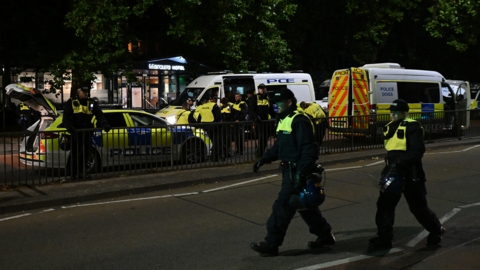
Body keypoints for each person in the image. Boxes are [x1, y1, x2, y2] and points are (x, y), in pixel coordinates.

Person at [250, 88, 335, 257]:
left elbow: (310, 148)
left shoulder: (299, 120)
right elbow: (279, 146)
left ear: (289, 101)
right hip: (289, 170)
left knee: (283, 205)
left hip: (297, 170)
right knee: (305, 206)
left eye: (279, 103)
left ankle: (272, 243)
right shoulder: (283, 119)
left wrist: (301, 173)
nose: (276, 106)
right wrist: (264, 159)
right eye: (274, 103)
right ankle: (325, 235)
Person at [369, 99, 445, 250]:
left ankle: (436, 230)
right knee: (384, 207)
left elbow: (418, 150)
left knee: (418, 208)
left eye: (395, 111)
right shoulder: (390, 127)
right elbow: (392, 151)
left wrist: (400, 162)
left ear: (404, 113)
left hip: (411, 175)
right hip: (393, 174)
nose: (392, 114)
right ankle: (384, 239)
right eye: (391, 111)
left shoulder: (412, 126)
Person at [63, 86, 110, 180]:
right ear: (78, 92)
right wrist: (69, 126)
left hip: (87, 132)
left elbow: (99, 115)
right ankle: (73, 175)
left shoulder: (91, 102)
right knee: (75, 154)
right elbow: (66, 116)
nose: (86, 93)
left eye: (87, 92)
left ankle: (83, 173)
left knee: (86, 154)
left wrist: (105, 125)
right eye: (84, 92)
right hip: (76, 132)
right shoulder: (72, 102)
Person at [248, 83, 276, 157]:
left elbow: (271, 110)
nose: (262, 90)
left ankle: (260, 155)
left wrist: (277, 116)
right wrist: (255, 117)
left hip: (266, 122)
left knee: (264, 139)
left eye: (263, 88)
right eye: (260, 88)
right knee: (262, 138)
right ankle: (259, 155)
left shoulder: (267, 98)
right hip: (258, 122)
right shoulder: (255, 98)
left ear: (265, 89)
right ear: (258, 90)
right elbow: (251, 110)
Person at [197, 95, 224, 161]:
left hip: (205, 126)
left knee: (213, 141)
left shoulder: (202, 107)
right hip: (214, 125)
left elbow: (199, 118)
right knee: (216, 142)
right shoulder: (214, 105)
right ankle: (215, 157)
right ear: (213, 99)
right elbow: (218, 116)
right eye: (215, 99)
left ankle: (217, 156)